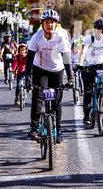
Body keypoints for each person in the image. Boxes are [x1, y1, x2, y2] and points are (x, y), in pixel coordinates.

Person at [25, 9, 74, 143]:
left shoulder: (61, 38)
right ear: (42, 24)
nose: (49, 25)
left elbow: (66, 58)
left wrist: (70, 78)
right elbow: (29, 59)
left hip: (57, 71)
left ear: (56, 24)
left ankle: (58, 131)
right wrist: (27, 78)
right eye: (47, 22)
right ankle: (34, 128)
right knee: (38, 97)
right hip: (40, 69)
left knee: (57, 103)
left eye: (52, 22)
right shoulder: (37, 37)